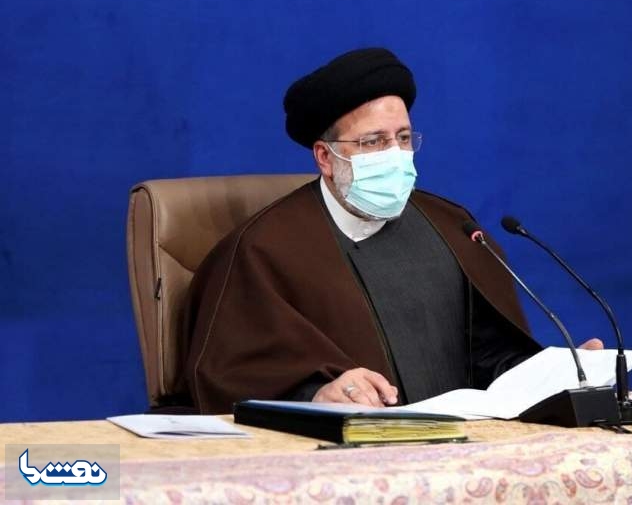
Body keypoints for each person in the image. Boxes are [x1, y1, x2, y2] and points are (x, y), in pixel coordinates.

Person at [183, 48, 602, 414]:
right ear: (325, 158)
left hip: (461, 451)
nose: (395, 155)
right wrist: (317, 395)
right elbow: (232, 377)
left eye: (403, 138)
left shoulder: (452, 228)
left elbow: (491, 359)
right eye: (373, 142)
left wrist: (555, 378)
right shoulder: (263, 248)